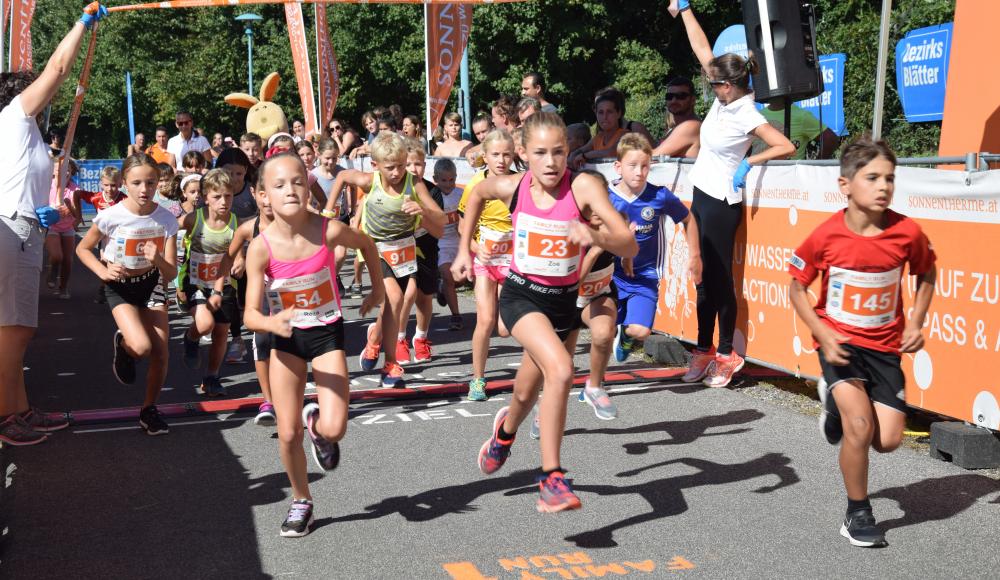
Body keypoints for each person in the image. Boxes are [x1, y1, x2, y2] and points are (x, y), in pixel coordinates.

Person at [452, 112, 637, 512]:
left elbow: (627, 243)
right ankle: (551, 478)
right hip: (521, 297)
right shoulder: (512, 186)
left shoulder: (584, 186)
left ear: (568, 152)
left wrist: (594, 234)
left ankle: (503, 433)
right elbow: (477, 194)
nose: (551, 162)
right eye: (540, 153)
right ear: (524, 153)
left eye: (558, 152)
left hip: (563, 304)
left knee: (524, 392)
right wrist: (464, 250)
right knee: (562, 371)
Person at [788, 138, 936, 547]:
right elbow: (797, 288)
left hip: (885, 347)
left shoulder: (907, 233)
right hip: (840, 346)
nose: (883, 186)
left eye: (890, 178)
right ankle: (858, 513)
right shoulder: (827, 235)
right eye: (872, 177)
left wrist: (917, 322)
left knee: (887, 441)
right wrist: (822, 333)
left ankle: (832, 404)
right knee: (860, 426)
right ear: (845, 185)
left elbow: (927, 274)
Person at [243, 152, 384, 537]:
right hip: (285, 340)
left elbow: (368, 245)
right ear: (264, 197)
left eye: (297, 182)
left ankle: (318, 427)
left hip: (325, 335)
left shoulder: (329, 231)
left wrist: (375, 290)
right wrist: (271, 321)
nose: (290, 189)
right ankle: (301, 500)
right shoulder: (260, 247)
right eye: (279, 184)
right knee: (286, 433)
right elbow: (249, 316)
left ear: (308, 187)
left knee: (336, 427)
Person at [0, 2, 107, 445]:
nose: (45, 97)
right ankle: (6, 417)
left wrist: (43, 215)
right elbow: (59, 67)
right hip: (14, 232)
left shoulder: (16, 133)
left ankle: (19, 410)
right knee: (17, 329)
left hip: (20, 228)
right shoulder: (15, 117)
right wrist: (82, 22)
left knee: (12, 327)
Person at [674, 3, 795, 387]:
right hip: (701, 195)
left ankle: (727, 353)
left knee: (721, 280)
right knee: (701, 277)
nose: (709, 87)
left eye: (714, 85)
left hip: (723, 201)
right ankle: (702, 349)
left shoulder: (745, 112)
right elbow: (701, 49)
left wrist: (750, 162)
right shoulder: (722, 101)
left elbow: (785, 145)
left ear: (727, 86)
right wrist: (686, 9)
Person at [325, 132, 445, 387]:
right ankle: (390, 365)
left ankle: (374, 339)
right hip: (374, 247)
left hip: (404, 248)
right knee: (396, 299)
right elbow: (343, 177)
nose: (397, 172)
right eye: (390, 167)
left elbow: (441, 218)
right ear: (375, 165)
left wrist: (421, 210)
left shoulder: (415, 183)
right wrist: (329, 209)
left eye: (401, 165)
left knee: (397, 302)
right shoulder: (371, 181)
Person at [76, 153, 178, 435]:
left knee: (160, 351)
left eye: (151, 182)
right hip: (120, 286)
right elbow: (82, 249)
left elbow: (170, 274)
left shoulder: (166, 219)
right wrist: (102, 271)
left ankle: (149, 409)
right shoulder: (111, 216)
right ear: (125, 184)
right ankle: (124, 345)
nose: (144, 189)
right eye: (136, 183)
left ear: (159, 182)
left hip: (152, 284)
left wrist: (157, 258)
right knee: (141, 347)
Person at [608, 134, 701, 365]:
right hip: (611, 276)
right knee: (602, 330)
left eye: (645, 166)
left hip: (645, 276)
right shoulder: (606, 197)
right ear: (618, 167)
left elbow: (689, 220)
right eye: (632, 166)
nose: (639, 172)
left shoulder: (659, 196)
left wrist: (695, 255)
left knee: (640, 331)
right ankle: (593, 384)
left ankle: (626, 337)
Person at [456, 129, 516, 401]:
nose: (501, 160)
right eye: (495, 154)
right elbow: (461, 225)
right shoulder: (475, 185)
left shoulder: (520, 182)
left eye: (506, 154)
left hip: (513, 261)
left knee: (505, 329)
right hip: (486, 261)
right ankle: (478, 379)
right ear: (485, 156)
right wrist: (474, 247)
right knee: (486, 320)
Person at [177, 169, 240, 397]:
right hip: (195, 281)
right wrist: (174, 276)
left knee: (221, 331)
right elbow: (168, 229)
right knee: (205, 325)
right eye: (217, 197)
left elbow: (238, 252)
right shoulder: (195, 218)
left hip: (224, 283)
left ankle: (211, 377)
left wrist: (240, 261)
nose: (224, 202)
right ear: (206, 197)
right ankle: (190, 337)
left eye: (229, 196)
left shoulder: (235, 222)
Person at [394, 139, 443, 364]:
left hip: (426, 246)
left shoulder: (432, 191)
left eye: (420, 164)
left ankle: (421, 337)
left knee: (424, 296)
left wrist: (423, 213)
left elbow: (439, 222)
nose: (415, 169)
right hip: (401, 248)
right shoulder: (397, 189)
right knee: (407, 294)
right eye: (410, 164)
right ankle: (399, 338)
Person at [569, 87, 654, 168]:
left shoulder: (626, 135)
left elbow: (611, 152)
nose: (605, 117)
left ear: (619, 113)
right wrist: (573, 155)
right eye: (600, 112)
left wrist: (584, 156)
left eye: (609, 112)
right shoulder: (598, 137)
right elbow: (582, 149)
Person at [431, 159, 463, 329]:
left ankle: (443, 288)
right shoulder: (432, 196)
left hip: (460, 241)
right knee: (447, 274)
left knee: (461, 278)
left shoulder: (461, 194)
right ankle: (456, 315)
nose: (448, 184)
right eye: (444, 180)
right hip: (442, 242)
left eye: (451, 179)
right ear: (436, 179)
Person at [45, 159, 82, 299]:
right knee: (57, 256)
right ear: (54, 172)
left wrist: (70, 208)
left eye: (68, 169)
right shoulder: (47, 186)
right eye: (60, 169)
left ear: (72, 171)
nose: (64, 172)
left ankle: (63, 287)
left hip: (68, 227)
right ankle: (53, 270)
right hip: (51, 226)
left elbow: (77, 215)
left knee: (67, 260)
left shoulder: (75, 189)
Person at [756, 101, 839, 160]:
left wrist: (815, 166)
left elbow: (830, 139)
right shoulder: (757, 115)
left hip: (791, 180)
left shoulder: (801, 116)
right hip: (759, 179)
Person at [651, 77, 701, 158]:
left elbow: (654, 155)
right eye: (669, 96)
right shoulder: (674, 128)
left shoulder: (691, 126)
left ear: (693, 100)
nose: (674, 100)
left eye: (681, 96)